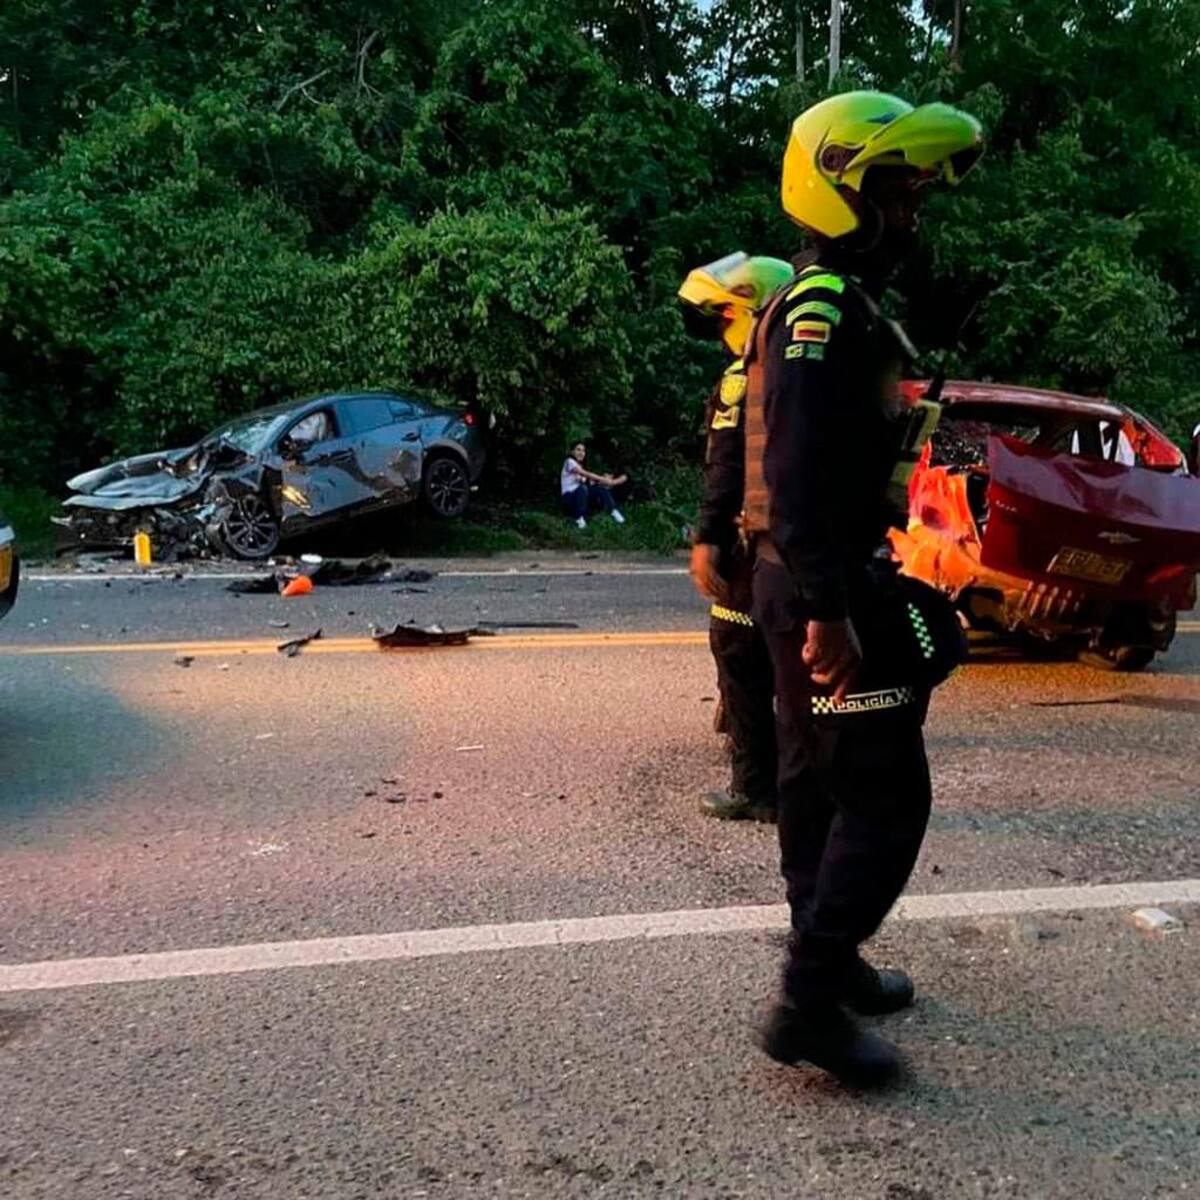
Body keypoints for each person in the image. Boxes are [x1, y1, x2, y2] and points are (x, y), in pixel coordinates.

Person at [742, 91, 984, 1084]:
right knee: (886, 797)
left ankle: (827, 964)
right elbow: (795, 470)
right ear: (839, 188)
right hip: (820, 584)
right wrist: (832, 613)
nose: (909, 215)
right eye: (896, 192)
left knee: (811, 780)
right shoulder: (824, 305)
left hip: (793, 575)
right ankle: (806, 999)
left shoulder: (824, 298)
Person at [678, 252, 793, 822]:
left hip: (753, 545)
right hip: (799, 543)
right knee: (788, 661)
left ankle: (756, 788)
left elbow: (725, 466)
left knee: (738, 651)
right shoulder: (803, 370)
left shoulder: (742, 378)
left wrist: (707, 537)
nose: (724, 333)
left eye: (725, 319)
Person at [560, 442, 627, 529]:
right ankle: (578, 518)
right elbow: (587, 474)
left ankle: (613, 511)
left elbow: (592, 482)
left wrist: (609, 480)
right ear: (572, 452)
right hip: (569, 498)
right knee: (582, 489)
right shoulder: (569, 462)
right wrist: (609, 481)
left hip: (581, 499)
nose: (581, 453)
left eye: (583, 450)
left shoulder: (580, 466)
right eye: (578, 450)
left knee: (598, 488)